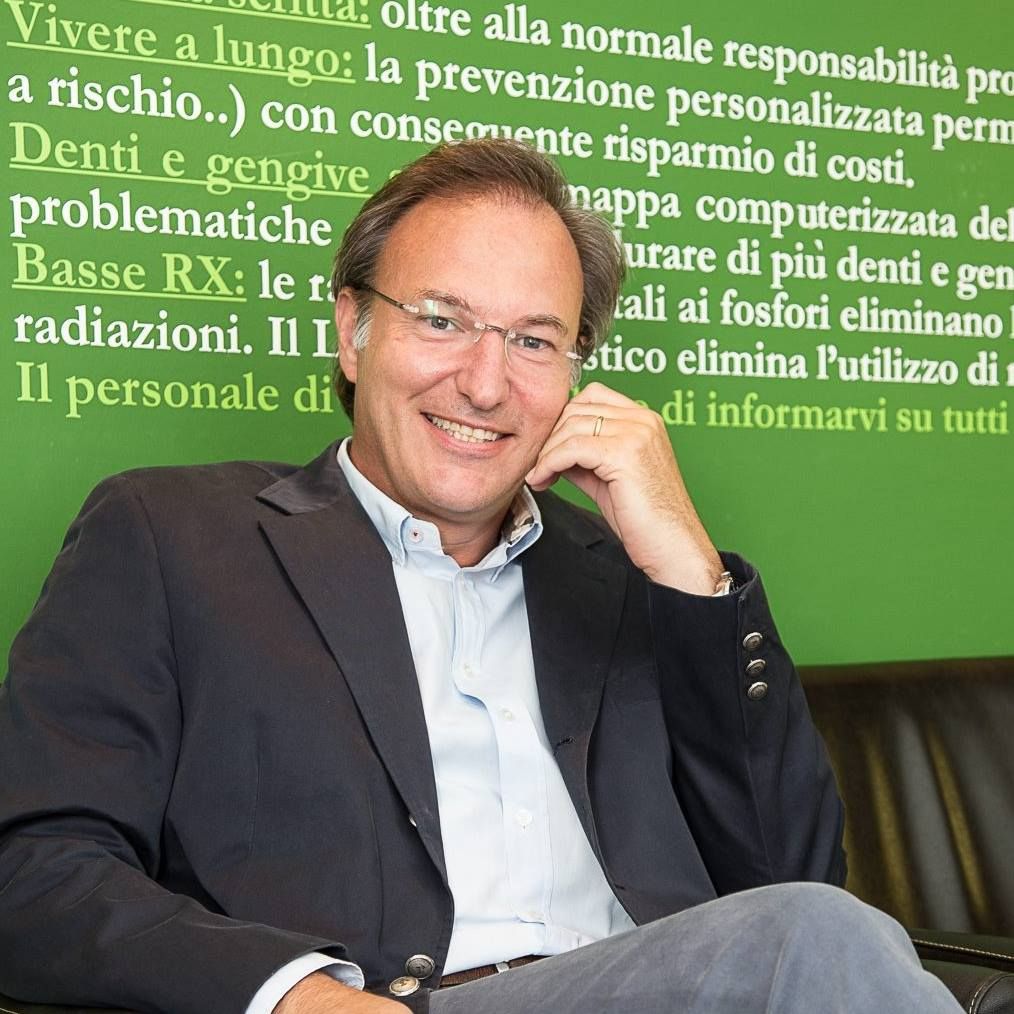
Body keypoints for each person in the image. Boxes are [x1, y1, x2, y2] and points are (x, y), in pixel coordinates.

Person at [0, 140, 960, 1014]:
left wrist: (691, 574)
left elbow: (795, 884)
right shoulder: (172, 538)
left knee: (816, 929)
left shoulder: (634, 579)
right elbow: (33, 870)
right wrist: (294, 997)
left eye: (535, 341)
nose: (487, 383)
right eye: (442, 320)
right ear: (352, 329)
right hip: (389, 1004)